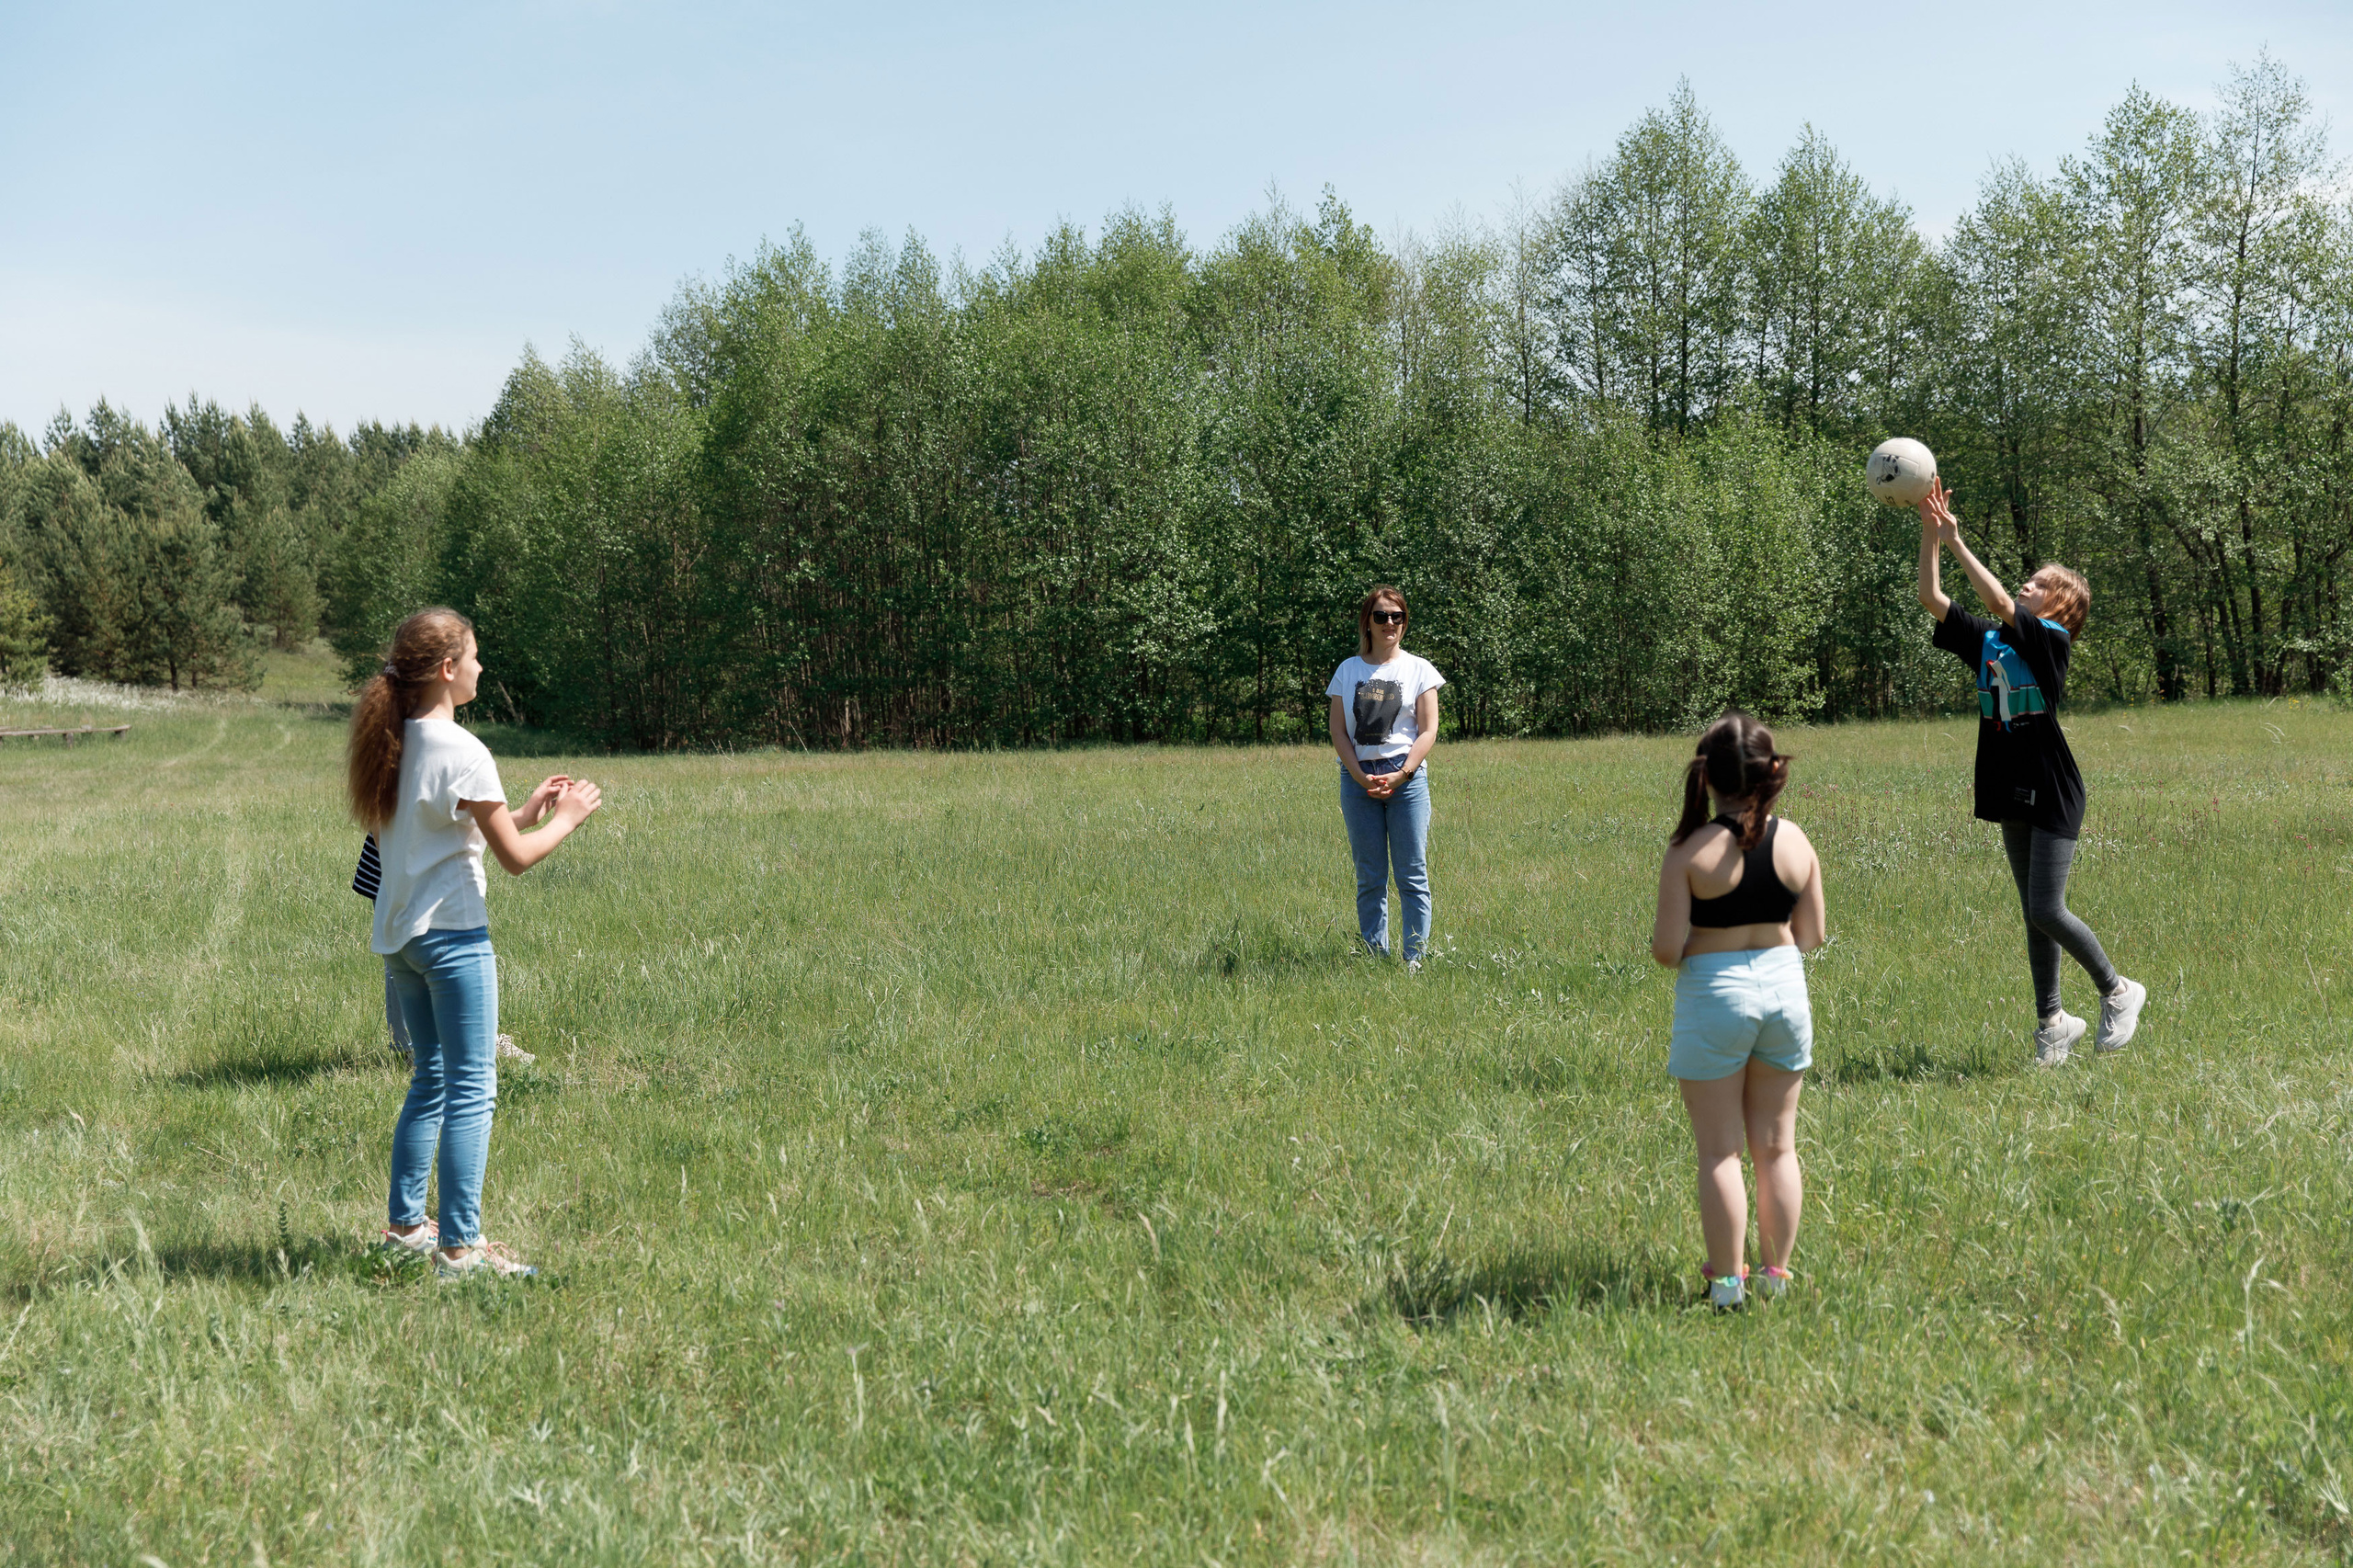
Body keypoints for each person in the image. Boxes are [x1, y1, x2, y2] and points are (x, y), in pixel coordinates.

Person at [349, 608, 601, 1278]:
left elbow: (449, 830)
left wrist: (523, 810)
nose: (482, 668)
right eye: (475, 656)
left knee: (431, 1078)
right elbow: (515, 859)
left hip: (401, 940)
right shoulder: (464, 750)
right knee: (472, 1087)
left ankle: (406, 1230)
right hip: (453, 938)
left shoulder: (394, 741)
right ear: (447, 668)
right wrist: (568, 820)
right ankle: (460, 1250)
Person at [1917, 480, 2146, 1065]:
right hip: (2005, 784)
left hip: (2052, 788)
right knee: (2033, 915)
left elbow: (1999, 601)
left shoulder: (2051, 640)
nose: (2027, 585)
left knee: (2047, 908)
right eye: (2030, 579)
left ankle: (2118, 991)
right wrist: (1931, 533)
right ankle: (2053, 1022)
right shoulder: (1990, 640)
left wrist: (1959, 541)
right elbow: (1932, 597)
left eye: (2039, 583)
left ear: (2061, 604)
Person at [1650, 710, 1825, 1311]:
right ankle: (1776, 1277)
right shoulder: (1796, 840)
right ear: (1769, 772)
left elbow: (1666, 950)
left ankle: (1727, 1286)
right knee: (1778, 1148)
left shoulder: (1689, 850)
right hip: (1785, 990)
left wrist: (1714, 947)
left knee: (1720, 1152)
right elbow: (1812, 935)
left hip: (1716, 996)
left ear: (1709, 776)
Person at [1325, 585, 1445, 969]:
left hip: (1407, 781)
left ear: (1405, 622)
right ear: (1368, 622)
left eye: (1397, 616)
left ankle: (1414, 960)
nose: (1389, 623)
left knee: (1412, 874)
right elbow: (1338, 731)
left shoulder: (1420, 669)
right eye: (1381, 616)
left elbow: (1428, 730)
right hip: (1358, 780)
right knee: (1370, 877)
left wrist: (1403, 774)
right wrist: (1360, 776)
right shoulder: (1348, 670)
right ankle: (1375, 958)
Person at [355, 830, 544, 1065]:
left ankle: (477, 1038)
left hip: (436, 868)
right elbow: (380, 817)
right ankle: (417, 1049)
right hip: (403, 871)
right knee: (408, 959)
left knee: (455, 953)